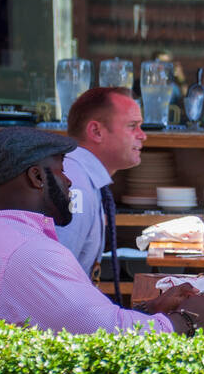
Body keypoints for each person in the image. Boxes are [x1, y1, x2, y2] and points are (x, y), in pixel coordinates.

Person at [0, 127, 204, 336]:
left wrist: (151, 309)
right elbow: (112, 339)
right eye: (61, 170)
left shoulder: (4, 237)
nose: (68, 181)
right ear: (37, 177)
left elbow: (88, 321)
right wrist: (185, 321)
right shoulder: (31, 254)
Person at [56, 87, 147, 293]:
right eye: (132, 126)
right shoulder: (73, 184)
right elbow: (54, 280)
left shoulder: (81, 176)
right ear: (96, 131)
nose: (143, 136)